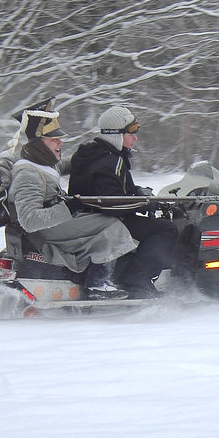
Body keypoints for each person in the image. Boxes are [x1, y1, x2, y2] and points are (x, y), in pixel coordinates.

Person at [0, 98, 139, 300]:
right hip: (45, 230)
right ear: (39, 144)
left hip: (53, 223)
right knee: (111, 226)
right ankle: (98, 284)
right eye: (54, 139)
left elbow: (68, 165)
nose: (60, 142)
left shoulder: (43, 164)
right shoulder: (28, 174)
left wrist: (92, 152)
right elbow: (29, 220)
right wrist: (68, 208)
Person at [68, 106, 179, 299]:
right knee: (166, 229)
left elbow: (111, 189)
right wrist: (145, 203)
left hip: (92, 217)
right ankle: (137, 279)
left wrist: (139, 193)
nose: (135, 137)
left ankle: (130, 272)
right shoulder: (110, 161)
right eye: (132, 132)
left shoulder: (98, 154)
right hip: (102, 220)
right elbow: (112, 202)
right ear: (116, 134)